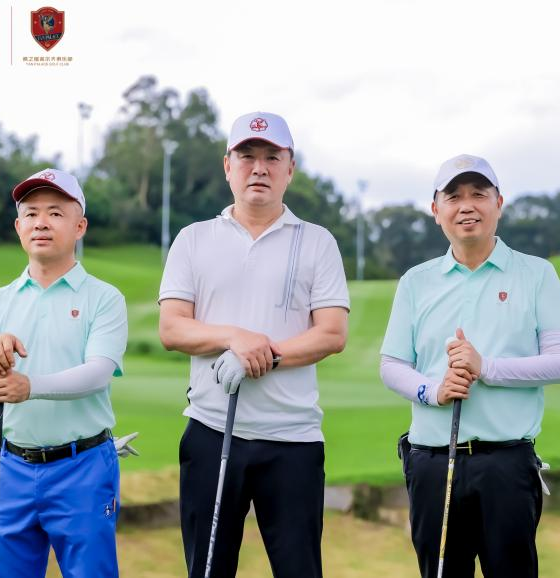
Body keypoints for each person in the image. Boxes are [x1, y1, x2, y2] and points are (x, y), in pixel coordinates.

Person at [158, 111, 349, 578]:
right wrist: (234, 338)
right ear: (228, 165)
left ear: (290, 168)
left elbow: (331, 333)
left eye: (271, 157)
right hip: (211, 431)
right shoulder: (193, 239)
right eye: (247, 156)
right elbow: (173, 328)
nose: (259, 168)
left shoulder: (318, 242)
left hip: (293, 439)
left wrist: (264, 356)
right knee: (207, 570)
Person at [379, 154, 560, 578]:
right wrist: (433, 391)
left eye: (478, 194)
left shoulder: (536, 274)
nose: (466, 206)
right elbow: (392, 364)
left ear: (498, 204)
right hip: (433, 461)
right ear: (436, 210)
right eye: (453, 197)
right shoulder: (416, 281)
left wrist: (486, 367)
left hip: (507, 462)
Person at [0, 168, 129, 577]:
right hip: (8, 466)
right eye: (31, 214)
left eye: (55, 213)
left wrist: (30, 386)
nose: (41, 222)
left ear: (80, 227)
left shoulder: (105, 298)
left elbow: (98, 373)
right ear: (18, 227)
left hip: (82, 467)